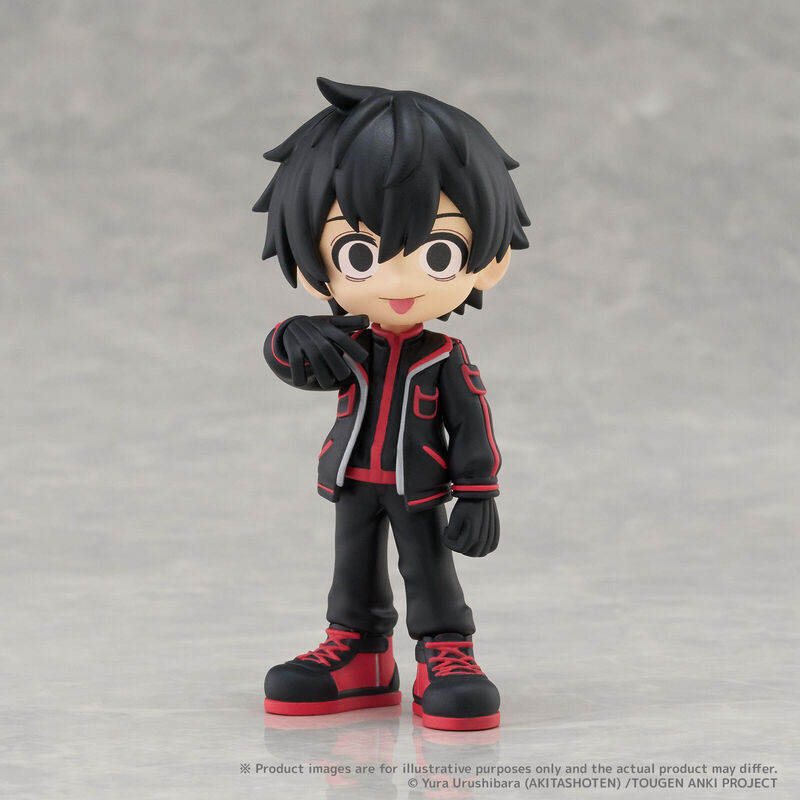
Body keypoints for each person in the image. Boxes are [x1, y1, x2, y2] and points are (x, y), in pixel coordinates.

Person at [254, 77, 529, 730]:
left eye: (437, 251)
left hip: (420, 486)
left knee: (428, 566)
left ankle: (445, 650)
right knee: (352, 567)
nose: (397, 279)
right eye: (360, 252)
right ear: (309, 260)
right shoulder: (348, 343)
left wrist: (479, 494)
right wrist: (289, 335)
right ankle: (359, 651)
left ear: (488, 262)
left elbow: (472, 427)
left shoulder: (445, 357)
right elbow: (303, 369)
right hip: (354, 478)